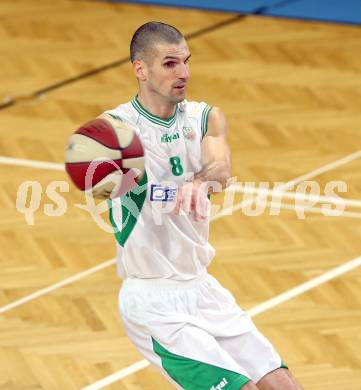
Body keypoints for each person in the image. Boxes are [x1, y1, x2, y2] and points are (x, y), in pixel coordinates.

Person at [100, 21, 303, 390]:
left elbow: (220, 166)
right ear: (140, 69)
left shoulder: (204, 116)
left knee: (285, 384)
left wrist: (201, 180)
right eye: (170, 64)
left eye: (186, 62)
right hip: (154, 302)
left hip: (204, 289)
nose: (184, 73)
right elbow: (101, 179)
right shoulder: (117, 128)